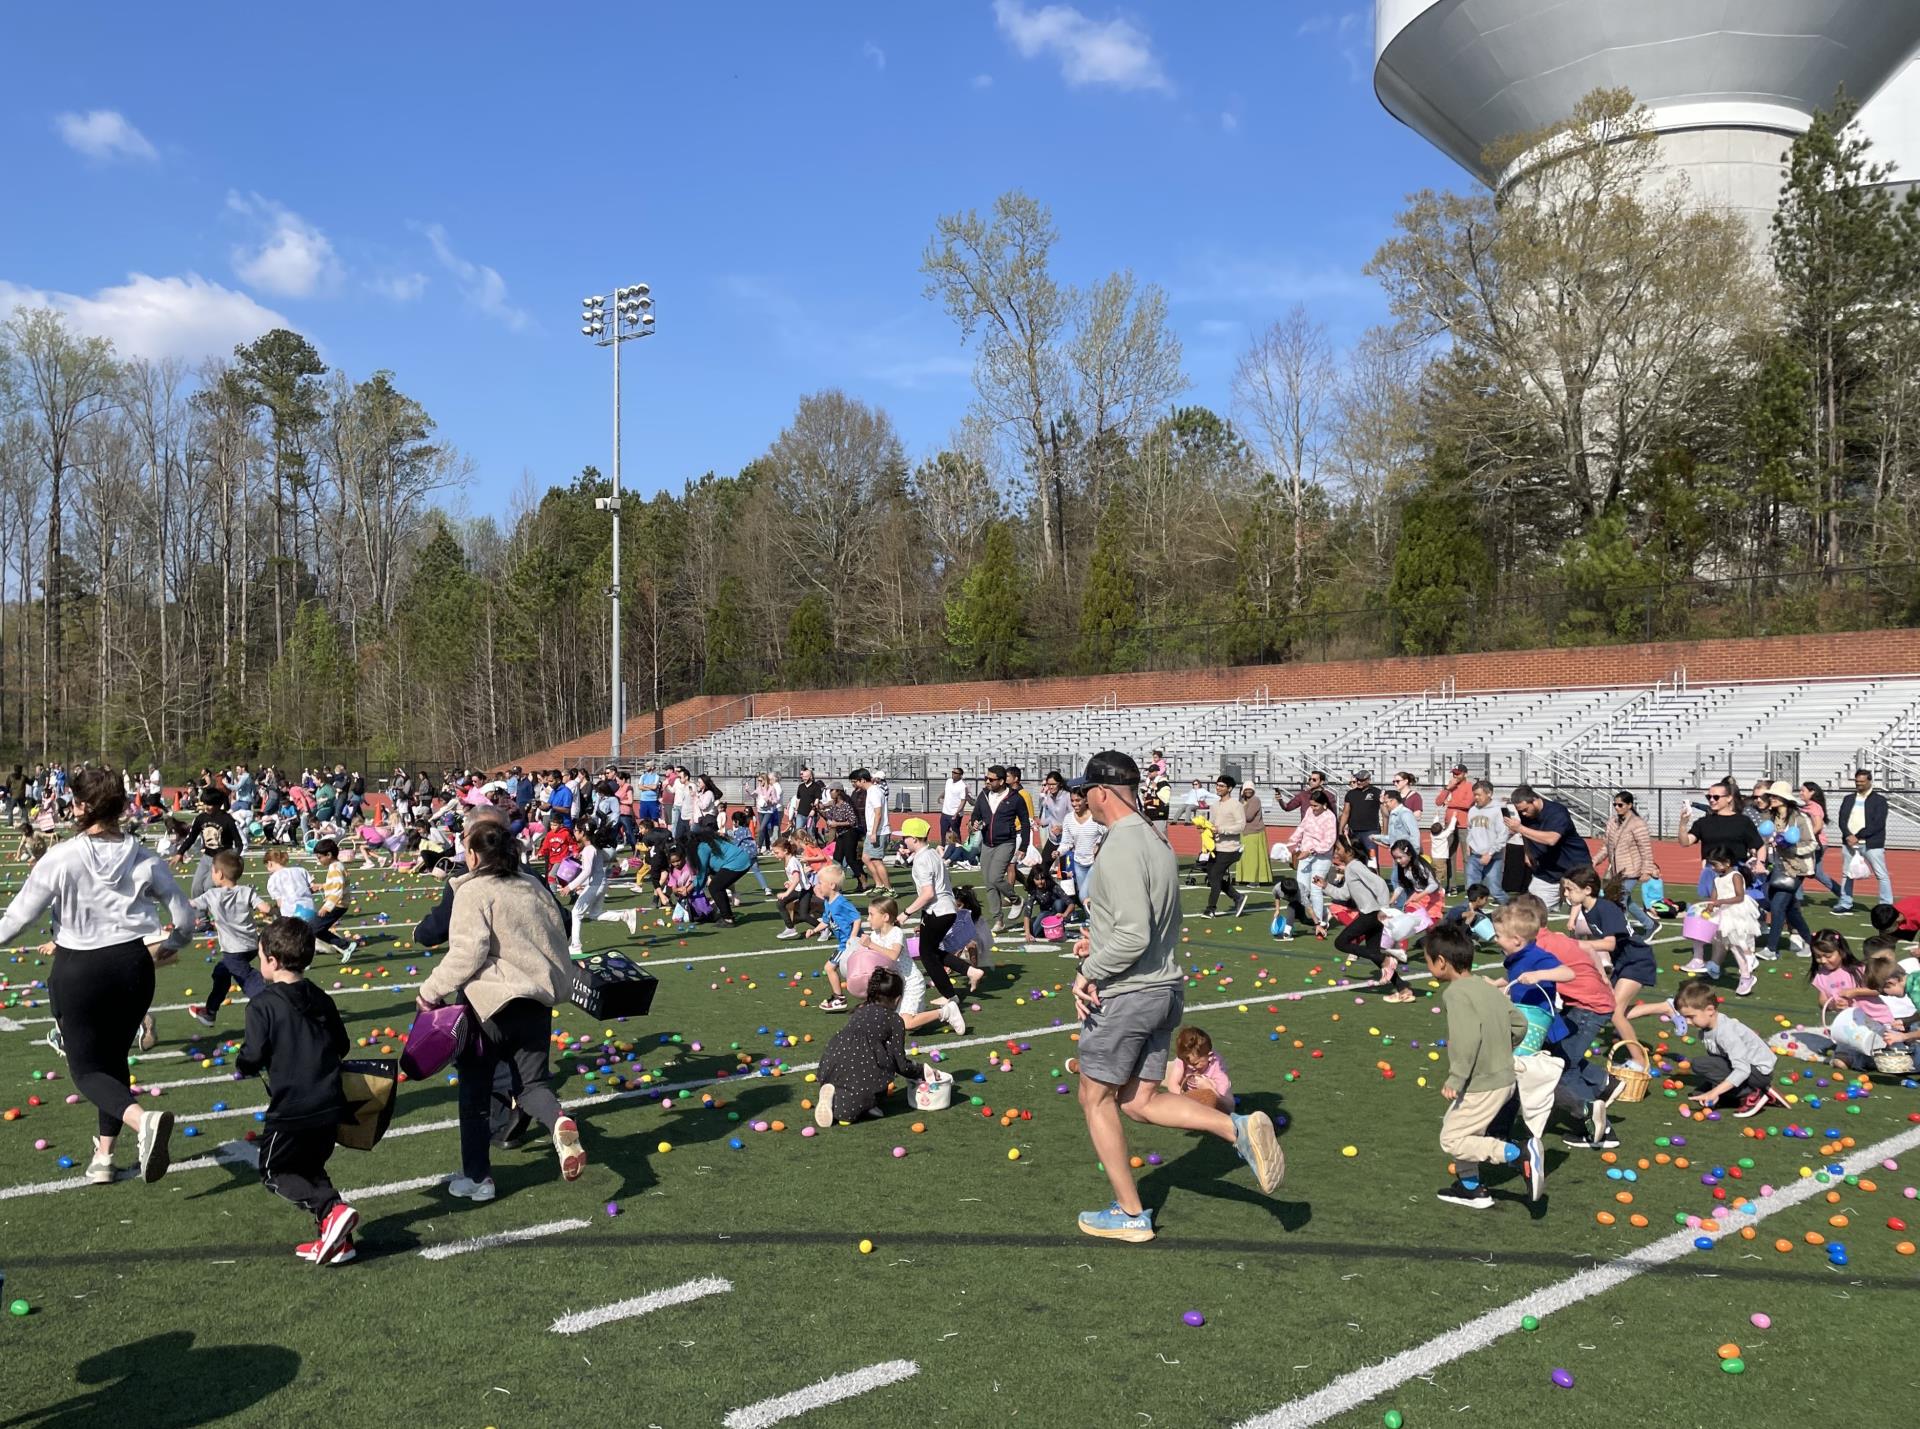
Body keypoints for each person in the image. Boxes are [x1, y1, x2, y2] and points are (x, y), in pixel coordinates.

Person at [1066, 751, 1283, 1243]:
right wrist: (1098, 942)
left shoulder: (1119, 845)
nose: (1083, 800)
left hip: (1127, 993)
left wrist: (1088, 971)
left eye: (1086, 791)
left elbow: (1133, 936)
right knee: (1140, 1099)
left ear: (1102, 792)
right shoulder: (1157, 841)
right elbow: (1148, 925)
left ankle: (1129, 1213)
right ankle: (1237, 1129)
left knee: (1094, 1097)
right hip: (1164, 989)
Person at [0, 767, 191, 1185]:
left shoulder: (62, 856)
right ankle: (104, 1156)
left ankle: (143, 1121)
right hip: (133, 967)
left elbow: (17, 918)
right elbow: (185, 915)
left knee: (85, 1071)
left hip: (80, 967)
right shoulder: (145, 856)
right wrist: (174, 943)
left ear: (82, 806)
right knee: (113, 1061)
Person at [417, 819, 586, 1201]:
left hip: (489, 1006)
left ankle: (478, 1178)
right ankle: (557, 1120)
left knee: (475, 1092)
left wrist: (430, 991)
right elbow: (559, 931)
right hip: (536, 1002)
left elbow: (468, 952)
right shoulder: (534, 886)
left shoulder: (473, 891)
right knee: (533, 1085)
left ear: (474, 855)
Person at [235, 916, 358, 1265]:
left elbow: (254, 1053)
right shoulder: (321, 997)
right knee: (311, 1168)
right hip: (330, 1102)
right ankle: (340, 1241)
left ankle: (331, 1211)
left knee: (274, 1172)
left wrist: (242, 1065)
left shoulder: (262, 1004)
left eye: (260, 958)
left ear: (272, 961)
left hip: (292, 1107)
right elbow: (342, 1044)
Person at [1428, 922, 1542, 1210]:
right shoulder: (1484, 985)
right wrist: (1503, 1045)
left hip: (1482, 1081)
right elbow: (1520, 1023)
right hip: (1503, 1077)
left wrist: (1456, 1078)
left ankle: (1516, 1154)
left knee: (1452, 1139)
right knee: (1465, 1130)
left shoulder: (1455, 994)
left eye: (1429, 961)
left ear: (1441, 962)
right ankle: (1471, 1188)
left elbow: (1466, 1038)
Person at [1627, 979, 1788, 1118]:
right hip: (1747, 1068)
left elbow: (1743, 1069)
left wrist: (1715, 1092)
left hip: (1756, 1072)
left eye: (1691, 1017)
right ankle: (1746, 1090)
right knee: (1701, 1082)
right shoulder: (1708, 1028)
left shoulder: (1725, 1033)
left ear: (1710, 1010)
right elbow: (1720, 1059)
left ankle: (1752, 1094)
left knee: (1700, 1064)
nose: (1688, 1022)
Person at [812, 966, 939, 1126]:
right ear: (898, 999)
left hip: (832, 1059)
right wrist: (923, 1070)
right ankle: (838, 1103)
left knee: (868, 1069)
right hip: (861, 1065)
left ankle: (835, 1092)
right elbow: (900, 1064)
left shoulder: (861, 1010)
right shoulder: (895, 1020)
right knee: (846, 1115)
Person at [186, 849, 274, 1029]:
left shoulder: (211, 895)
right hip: (251, 945)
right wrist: (277, 911)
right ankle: (210, 1012)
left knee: (249, 980)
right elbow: (264, 908)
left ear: (219, 874)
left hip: (234, 951)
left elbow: (191, 904)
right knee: (221, 973)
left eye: (212, 872)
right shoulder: (246, 891)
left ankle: (276, 1009)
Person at [899, 818, 968, 1020]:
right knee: (931, 951)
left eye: (905, 837)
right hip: (944, 909)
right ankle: (968, 972)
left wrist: (906, 913)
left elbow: (928, 893)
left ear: (913, 838)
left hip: (937, 910)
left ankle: (949, 996)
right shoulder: (931, 854)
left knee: (927, 955)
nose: (903, 841)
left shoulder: (922, 859)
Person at [1322, 835, 1402, 997]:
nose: (1336, 852)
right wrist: (1325, 886)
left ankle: (1387, 959)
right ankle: (1402, 987)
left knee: (1341, 942)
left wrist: (1384, 909)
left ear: (1350, 851)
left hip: (1372, 914)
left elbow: (1380, 884)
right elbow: (1343, 894)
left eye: (1338, 849)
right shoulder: (1351, 867)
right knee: (1373, 953)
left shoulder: (1354, 866)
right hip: (1372, 914)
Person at [1757, 782, 1816, 961]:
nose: (1771, 799)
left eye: (1775, 796)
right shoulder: (1770, 818)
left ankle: (1771, 949)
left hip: (1795, 868)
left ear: (1784, 799)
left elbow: (1812, 843)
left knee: (1777, 906)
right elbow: (1764, 839)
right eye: (1771, 796)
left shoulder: (1799, 819)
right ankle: (1813, 944)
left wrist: (1791, 847)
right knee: (1790, 909)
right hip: (1777, 867)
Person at [1692, 846, 1762, 995]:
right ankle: (1720, 968)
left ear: (1727, 862)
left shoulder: (1735, 876)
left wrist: (1720, 902)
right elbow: (1713, 898)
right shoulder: (1717, 879)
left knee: (1736, 945)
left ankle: (1746, 975)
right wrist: (1709, 908)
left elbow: (1739, 896)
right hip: (1723, 914)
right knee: (1724, 942)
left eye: (1715, 864)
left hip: (1736, 912)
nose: (1713, 867)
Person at [562, 822, 638, 953]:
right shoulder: (593, 848)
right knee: (595, 914)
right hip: (599, 884)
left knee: (576, 913)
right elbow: (593, 869)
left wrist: (570, 886)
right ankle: (625, 915)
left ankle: (576, 946)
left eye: (576, 830)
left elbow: (586, 871)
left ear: (583, 833)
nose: (574, 833)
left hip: (596, 886)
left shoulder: (589, 850)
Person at [972, 765, 1031, 930]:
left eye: (991, 779)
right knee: (989, 883)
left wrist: (1024, 846)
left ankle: (1016, 900)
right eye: (986, 778)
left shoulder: (1016, 798)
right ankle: (998, 920)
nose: (987, 781)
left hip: (1006, 842)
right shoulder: (983, 795)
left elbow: (1025, 822)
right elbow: (975, 814)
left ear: (1002, 781)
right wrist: (974, 823)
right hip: (986, 843)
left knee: (996, 877)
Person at [1504, 786, 1583, 910]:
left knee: (1582, 918)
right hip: (1546, 871)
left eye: (1525, 810)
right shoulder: (1525, 814)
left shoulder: (1557, 812)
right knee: (1531, 913)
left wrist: (1519, 828)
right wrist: (1527, 852)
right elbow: (1526, 833)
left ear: (1534, 800)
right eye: (1520, 811)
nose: (1523, 814)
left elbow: (1551, 839)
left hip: (1575, 868)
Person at [1595, 791, 1659, 941]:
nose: (1617, 807)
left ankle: (1621, 934)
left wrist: (1646, 870)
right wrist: (1596, 860)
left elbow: (1645, 849)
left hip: (1632, 870)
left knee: (1619, 901)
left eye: (1620, 805)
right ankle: (1650, 924)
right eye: (1615, 805)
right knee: (1627, 901)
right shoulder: (1612, 822)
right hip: (1617, 871)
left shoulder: (1638, 824)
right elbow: (1606, 846)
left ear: (1629, 805)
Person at [1833, 771, 1892, 914]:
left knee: (1881, 874)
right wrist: (1848, 835)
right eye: (1857, 781)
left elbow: (1878, 823)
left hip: (1872, 843)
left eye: (1862, 782)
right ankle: (1845, 902)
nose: (1859, 784)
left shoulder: (1879, 801)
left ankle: (1886, 905)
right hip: (1849, 842)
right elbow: (1842, 820)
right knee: (1847, 873)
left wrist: (1858, 836)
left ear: (1870, 781)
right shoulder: (1848, 799)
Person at [810, 864, 864, 1012]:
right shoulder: (828, 901)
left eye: (820, 882)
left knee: (830, 968)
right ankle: (839, 997)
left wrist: (852, 939)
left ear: (832, 885)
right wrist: (814, 930)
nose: (818, 885)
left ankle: (839, 998)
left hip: (849, 944)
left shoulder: (841, 902)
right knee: (836, 969)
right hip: (843, 944)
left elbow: (857, 919)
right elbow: (827, 921)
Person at [1287, 788, 1338, 929]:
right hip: (1305, 854)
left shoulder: (1330, 817)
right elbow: (1302, 828)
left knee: (1316, 888)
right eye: (1311, 805)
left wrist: (1310, 851)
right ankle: (1322, 913)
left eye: (1316, 805)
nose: (1313, 808)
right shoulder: (1309, 812)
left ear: (1324, 804)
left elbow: (1329, 842)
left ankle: (1320, 921)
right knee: (1302, 888)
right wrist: (1292, 844)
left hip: (1322, 857)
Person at [1202, 774, 1247, 918]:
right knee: (1212, 875)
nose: (1218, 788)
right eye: (1217, 785)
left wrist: (1221, 830)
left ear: (1230, 788)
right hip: (1215, 848)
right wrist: (1205, 828)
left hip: (1230, 848)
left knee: (1215, 875)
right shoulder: (1214, 805)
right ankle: (1237, 897)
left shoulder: (1236, 805)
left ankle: (1210, 909)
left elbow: (1241, 826)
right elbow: (1212, 824)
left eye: (1222, 786)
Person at [1162, 1026, 1232, 1112]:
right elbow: (1173, 1084)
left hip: (1208, 1086)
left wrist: (1210, 1089)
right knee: (1162, 1074)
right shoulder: (1185, 1059)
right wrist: (1186, 1097)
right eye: (1187, 1062)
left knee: (1212, 1085)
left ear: (1209, 1056)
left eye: (1196, 1063)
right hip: (1183, 1081)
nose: (1190, 1066)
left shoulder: (1217, 1069)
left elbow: (1229, 1107)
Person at [1061, 787, 1105, 907]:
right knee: (1085, 898)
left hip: (1095, 863)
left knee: (1084, 896)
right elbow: (1066, 841)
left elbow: (1108, 833)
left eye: (1078, 800)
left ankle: (1096, 921)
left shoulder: (1095, 817)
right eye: (1072, 800)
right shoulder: (1068, 819)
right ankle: (1092, 922)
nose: (1074, 804)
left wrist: (1098, 844)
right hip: (1079, 863)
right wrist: (1058, 851)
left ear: (1086, 800)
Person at [310, 839, 356, 955]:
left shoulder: (335, 868)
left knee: (313, 929)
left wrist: (327, 907)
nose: (318, 860)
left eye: (320, 857)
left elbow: (337, 890)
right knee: (318, 930)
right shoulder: (338, 865)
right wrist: (321, 886)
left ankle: (305, 955)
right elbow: (337, 884)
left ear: (329, 855)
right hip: (339, 904)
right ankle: (345, 945)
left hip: (337, 905)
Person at [774, 833, 819, 939]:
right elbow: (795, 878)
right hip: (799, 889)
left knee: (804, 915)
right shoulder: (788, 860)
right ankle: (790, 928)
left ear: (785, 851)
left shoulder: (792, 862)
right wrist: (789, 882)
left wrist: (786, 892)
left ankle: (824, 928)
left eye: (776, 853)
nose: (775, 855)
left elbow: (797, 879)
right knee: (780, 903)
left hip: (805, 890)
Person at [1437, 765, 1475, 889]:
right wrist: (1447, 788)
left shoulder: (1470, 786)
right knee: (1450, 855)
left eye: (1458, 773)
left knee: (1467, 857)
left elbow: (1467, 803)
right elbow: (1438, 801)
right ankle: (1451, 885)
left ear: (1465, 774)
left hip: (1464, 824)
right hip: (1449, 825)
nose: (1455, 776)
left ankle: (1469, 885)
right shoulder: (1450, 787)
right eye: (1454, 773)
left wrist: (1449, 803)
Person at [1236, 784, 1271, 890]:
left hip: (1254, 832)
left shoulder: (1255, 800)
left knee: (1254, 858)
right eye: (1245, 789)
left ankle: (1255, 879)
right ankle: (1244, 877)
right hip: (1244, 832)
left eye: (1250, 789)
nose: (1248, 791)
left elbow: (1248, 816)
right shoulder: (1242, 801)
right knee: (1245, 857)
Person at [1339, 769, 1381, 853]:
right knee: (1357, 857)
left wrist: (1385, 831)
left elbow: (1384, 812)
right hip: (1354, 831)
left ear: (1369, 780)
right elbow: (1346, 813)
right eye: (1357, 779)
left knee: (1371, 859)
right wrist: (1340, 829)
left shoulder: (1377, 792)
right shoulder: (1350, 794)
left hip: (1371, 830)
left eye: (1362, 780)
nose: (1359, 782)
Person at [939, 768, 969, 842]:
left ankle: (958, 849)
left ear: (960, 775)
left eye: (956, 773)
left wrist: (956, 813)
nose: (953, 774)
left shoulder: (962, 786)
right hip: (945, 813)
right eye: (953, 772)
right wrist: (940, 796)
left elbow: (963, 801)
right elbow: (947, 791)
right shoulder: (948, 781)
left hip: (954, 814)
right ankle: (943, 848)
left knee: (955, 834)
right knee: (943, 833)